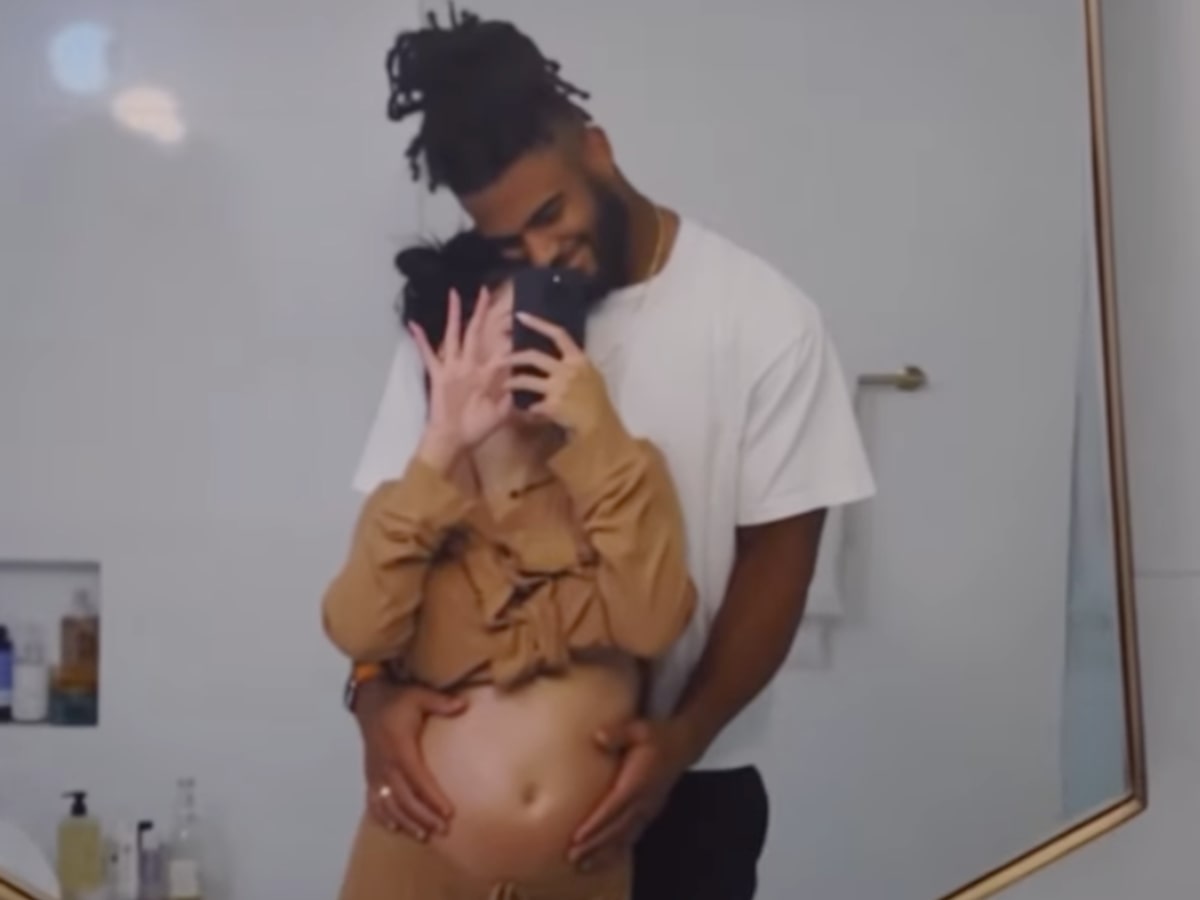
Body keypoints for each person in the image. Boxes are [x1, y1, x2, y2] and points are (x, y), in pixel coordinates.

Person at [347, 7, 876, 899]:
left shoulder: (761, 319)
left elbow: (778, 567)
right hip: (440, 806)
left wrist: (683, 738)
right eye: (509, 239)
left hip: (692, 781)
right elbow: (391, 535)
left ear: (596, 149)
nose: (543, 253)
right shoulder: (471, 316)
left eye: (551, 212)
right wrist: (369, 692)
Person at [324, 230, 697, 900]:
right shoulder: (411, 498)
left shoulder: (623, 475)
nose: (531, 350)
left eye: (548, 326)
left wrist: (598, 430)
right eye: (508, 330)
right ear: (446, 350)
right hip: (411, 868)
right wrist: (439, 445)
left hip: (578, 880)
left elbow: (652, 623)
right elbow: (359, 630)